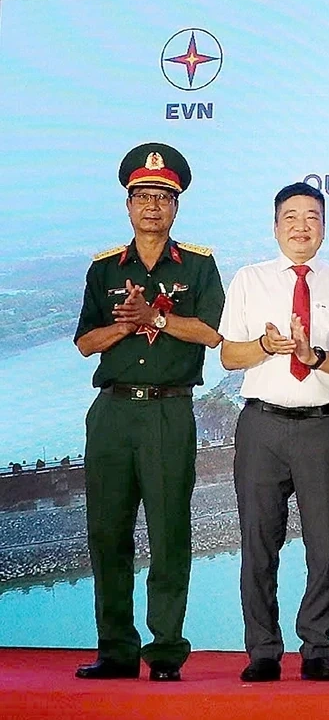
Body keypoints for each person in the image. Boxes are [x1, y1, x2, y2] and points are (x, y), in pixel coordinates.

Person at [73, 143, 225, 682]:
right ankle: (115, 649)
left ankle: (164, 652)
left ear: (176, 206)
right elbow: (86, 343)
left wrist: (156, 317)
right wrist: (127, 322)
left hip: (168, 412)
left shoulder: (201, 265)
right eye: (142, 196)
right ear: (128, 204)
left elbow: (210, 332)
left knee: (168, 530)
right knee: (107, 531)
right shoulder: (104, 268)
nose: (152, 206)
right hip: (113, 412)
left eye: (162, 197)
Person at [220, 183, 329, 682]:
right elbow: (228, 355)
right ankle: (262, 648)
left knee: (326, 544)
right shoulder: (249, 279)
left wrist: (314, 357)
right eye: (291, 217)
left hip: (324, 427)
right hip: (261, 424)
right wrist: (264, 344)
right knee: (259, 541)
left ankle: (317, 647)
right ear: (275, 225)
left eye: (312, 217)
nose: (302, 226)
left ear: (324, 225)